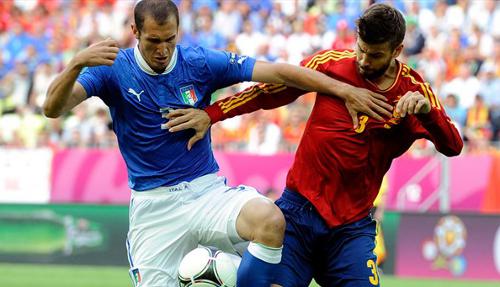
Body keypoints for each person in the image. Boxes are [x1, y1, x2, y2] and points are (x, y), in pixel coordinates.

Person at [42, 1, 393, 286]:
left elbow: (281, 73)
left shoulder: (199, 62)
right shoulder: (111, 68)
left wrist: (343, 89)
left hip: (206, 192)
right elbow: (53, 108)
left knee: (270, 220)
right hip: (154, 207)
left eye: (170, 39)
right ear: (135, 32)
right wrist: (75, 64)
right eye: (153, 41)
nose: (163, 50)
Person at [166, 3, 464, 286]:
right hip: (297, 214)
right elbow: (268, 93)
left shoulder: (413, 91)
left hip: (351, 228)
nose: (363, 60)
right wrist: (213, 113)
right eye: (360, 48)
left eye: (374, 55)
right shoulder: (331, 65)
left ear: (397, 51)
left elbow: (453, 146)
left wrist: (428, 114)